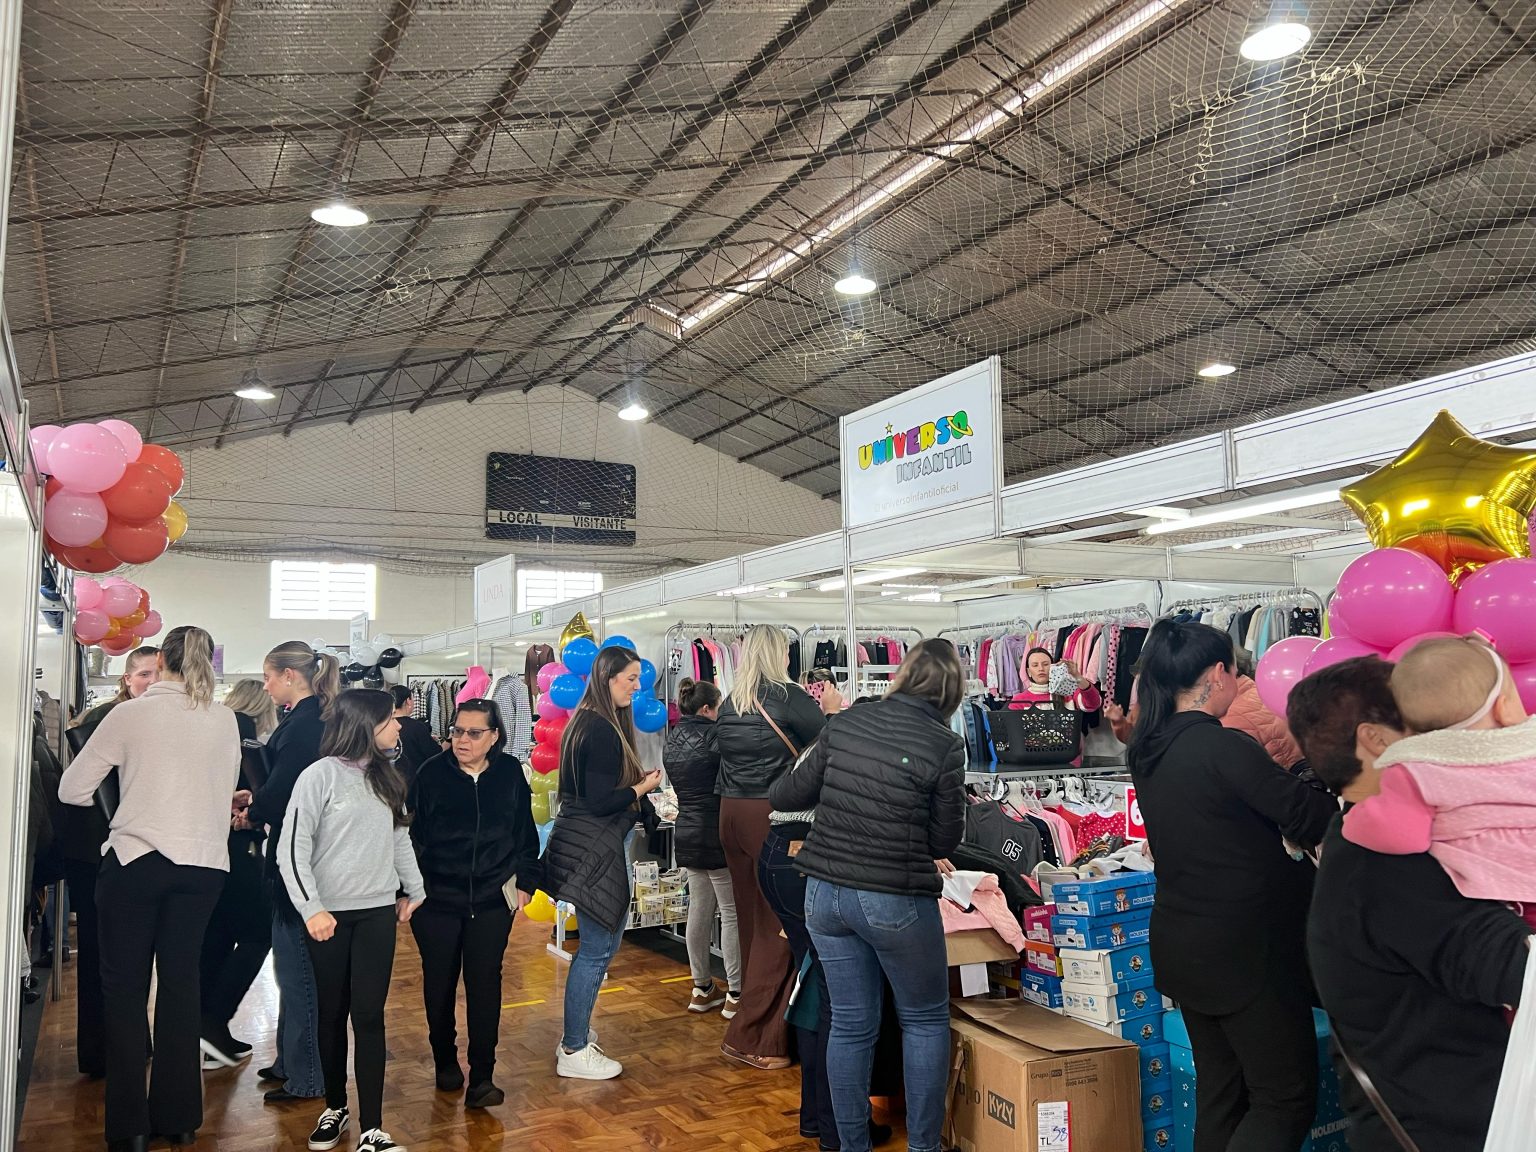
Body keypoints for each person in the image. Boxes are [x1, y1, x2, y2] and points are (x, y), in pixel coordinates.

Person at [1290, 655, 1532, 1152]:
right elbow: (1513, 966)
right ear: (1376, 740)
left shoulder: (1372, 836)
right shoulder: (1382, 864)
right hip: (1448, 1130)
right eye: (1424, 721)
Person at [1126, 620, 1338, 1152]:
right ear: (1218, 674)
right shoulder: (1222, 747)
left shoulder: (1148, 751)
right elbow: (1309, 816)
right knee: (1284, 1099)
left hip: (1184, 943)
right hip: (1246, 952)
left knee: (1223, 1093)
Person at [59, 627, 241, 1152]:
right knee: (182, 986)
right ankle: (179, 1118)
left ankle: (129, 1127)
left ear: (161, 660)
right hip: (204, 866)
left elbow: (72, 789)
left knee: (124, 990)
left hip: (136, 862)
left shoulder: (130, 714)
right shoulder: (224, 718)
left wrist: (133, 791)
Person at [278, 688, 423, 1152]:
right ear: (366, 724)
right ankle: (335, 1108)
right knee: (332, 1013)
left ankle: (373, 1128)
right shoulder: (317, 776)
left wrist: (414, 889)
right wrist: (312, 908)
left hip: (377, 913)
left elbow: (399, 838)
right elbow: (291, 849)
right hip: (329, 918)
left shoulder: (388, 776)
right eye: (390, 719)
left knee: (369, 1016)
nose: (398, 726)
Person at [715, 624, 838, 1069]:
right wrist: (833, 712)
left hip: (730, 812)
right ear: (777, 653)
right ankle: (756, 1037)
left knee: (750, 919)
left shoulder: (731, 701)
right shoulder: (789, 697)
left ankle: (751, 1015)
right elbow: (828, 748)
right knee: (781, 926)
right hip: (771, 815)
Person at [409, 698, 539, 1108]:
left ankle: (482, 1077)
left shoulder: (510, 773)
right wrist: (410, 891)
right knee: (440, 983)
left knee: (485, 985)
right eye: (457, 731)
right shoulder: (431, 774)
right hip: (437, 901)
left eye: (473, 733)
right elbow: (410, 838)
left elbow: (525, 833)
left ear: (494, 736)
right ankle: (445, 1060)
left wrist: (525, 882)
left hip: (492, 900)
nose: (462, 740)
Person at [542, 645, 663, 1080]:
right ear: (609, 678)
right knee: (597, 949)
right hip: (597, 848)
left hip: (587, 843)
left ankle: (576, 1034)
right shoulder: (600, 729)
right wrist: (642, 788)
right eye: (630, 678)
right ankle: (574, 1047)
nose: (636, 686)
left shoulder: (587, 722)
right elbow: (599, 801)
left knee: (599, 947)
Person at [243, 640, 338, 1103]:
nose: (265, 686)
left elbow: (285, 790)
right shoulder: (305, 719)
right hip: (296, 852)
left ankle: (307, 1076)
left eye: (268, 676)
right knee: (290, 968)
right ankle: (290, 1063)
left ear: (289, 675)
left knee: (298, 970)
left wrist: (254, 808)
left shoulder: (305, 724)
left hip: (301, 858)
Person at [59, 645, 159, 1078]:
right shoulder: (110, 718)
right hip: (97, 851)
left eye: (158, 675)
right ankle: (106, 1051)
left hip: (115, 849)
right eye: (144, 675)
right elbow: (82, 790)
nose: (151, 683)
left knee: (121, 955)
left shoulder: (135, 718)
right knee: (106, 954)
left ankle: (121, 1046)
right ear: (126, 679)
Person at [199, 679, 278, 1069]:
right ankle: (212, 1022)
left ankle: (205, 1027)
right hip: (238, 849)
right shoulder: (245, 734)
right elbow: (259, 790)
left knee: (217, 936)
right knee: (258, 933)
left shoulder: (213, 728)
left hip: (209, 851)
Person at [662, 677, 741, 1015]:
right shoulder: (717, 737)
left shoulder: (672, 739)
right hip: (715, 831)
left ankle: (702, 987)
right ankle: (736, 993)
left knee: (699, 908)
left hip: (686, 830)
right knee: (731, 912)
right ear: (708, 708)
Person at [1007, 647, 1102, 712]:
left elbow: (1094, 704)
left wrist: (1078, 677)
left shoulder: (1067, 692)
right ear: (1029, 672)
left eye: (1045, 664)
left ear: (1053, 667)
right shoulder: (1019, 700)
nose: (1041, 668)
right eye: (1035, 665)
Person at [390, 685, 443, 782]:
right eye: (413, 698)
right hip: (414, 781)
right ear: (408, 701)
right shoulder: (417, 727)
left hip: (391, 781)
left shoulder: (385, 727)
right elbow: (435, 753)